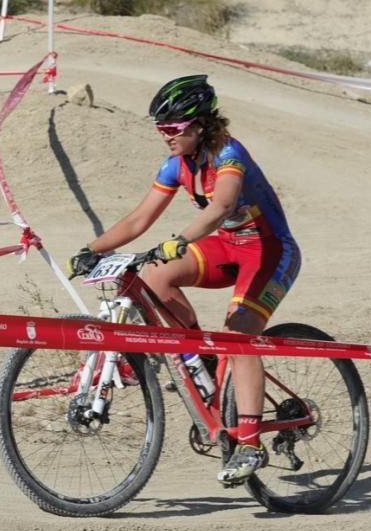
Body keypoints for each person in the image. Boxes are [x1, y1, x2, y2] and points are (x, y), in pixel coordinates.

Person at [66, 74, 301, 486]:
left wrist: (181, 239)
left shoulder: (229, 153)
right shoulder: (177, 165)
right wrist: (93, 249)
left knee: (238, 334)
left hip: (268, 251)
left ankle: (250, 442)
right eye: (161, 129)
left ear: (199, 126)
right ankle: (204, 364)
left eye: (172, 130)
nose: (165, 137)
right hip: (229, 246)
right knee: (155, 275)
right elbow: (139, 219)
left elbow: (223, 204)